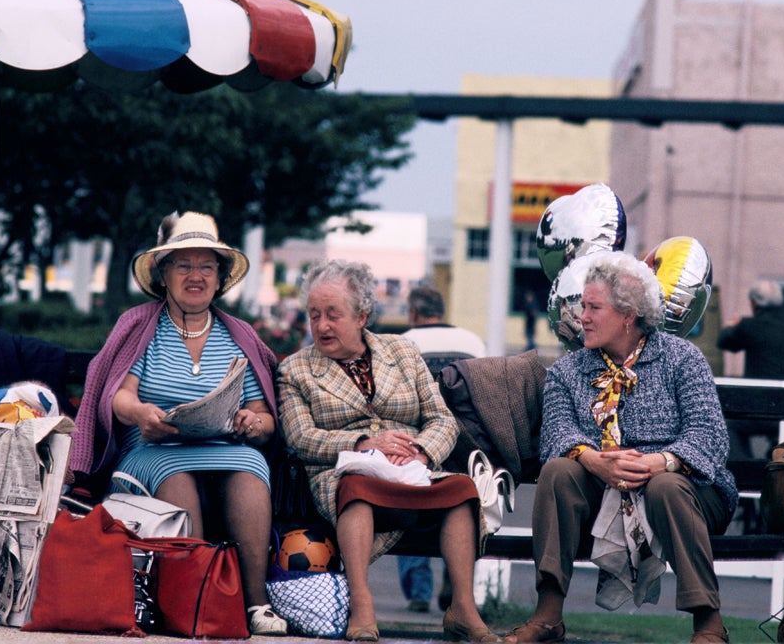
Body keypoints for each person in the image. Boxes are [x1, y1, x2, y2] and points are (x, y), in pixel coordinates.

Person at [69, 211, 288, 636]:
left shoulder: (238, 333)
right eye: (184, 265)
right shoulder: (139, 325)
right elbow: (119, 396)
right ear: (163, 273)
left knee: (251, 468)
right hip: (152, 449)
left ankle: (256, 603)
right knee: (176, 474)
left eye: (207, 266)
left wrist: (252, 422)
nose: (196, 275)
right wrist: (141, 414)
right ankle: (196, 595)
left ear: (220, 277)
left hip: (225, 447)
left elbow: (266, 419)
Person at [506, 252, 736, 644]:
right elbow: (556, 436)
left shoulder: (682, 359)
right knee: (558, 471)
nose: (583, 317)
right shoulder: (568, 370)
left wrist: (660, 462)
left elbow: (709, 436)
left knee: (665, 487)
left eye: (594, 307)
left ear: (628, 315)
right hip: (605, 487)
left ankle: (709, 624)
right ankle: (547, 617)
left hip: (688, 490)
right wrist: (594, 461)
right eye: (582, 306)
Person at [277, 259, 500, 643]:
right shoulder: (296, 370)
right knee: (357, 489)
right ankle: (362, 605)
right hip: (344, 473)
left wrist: (422, 453)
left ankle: (462, 608)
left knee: (461, 491)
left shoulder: (403, 352)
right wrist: (362, 445)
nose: (322, 326)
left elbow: (442, 420)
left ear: (362, 315)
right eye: (314, 316)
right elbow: (301, 438)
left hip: (414, 470)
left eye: (333, 315)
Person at [398, 285, 487, 613]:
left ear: (414, 313)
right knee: (461, 509)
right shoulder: (472, 342)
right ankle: (456, 575)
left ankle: (419, 591)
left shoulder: (404, 341)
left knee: (407, 504)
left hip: (421, 440)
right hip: (468, 445)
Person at [716, 280, 784, 458]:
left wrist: (732, 326)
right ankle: (773, 457)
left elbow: (724, 342)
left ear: (754, 303)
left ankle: (744, 468)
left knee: (728, 425)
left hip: (761, 410)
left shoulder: (749, 326)